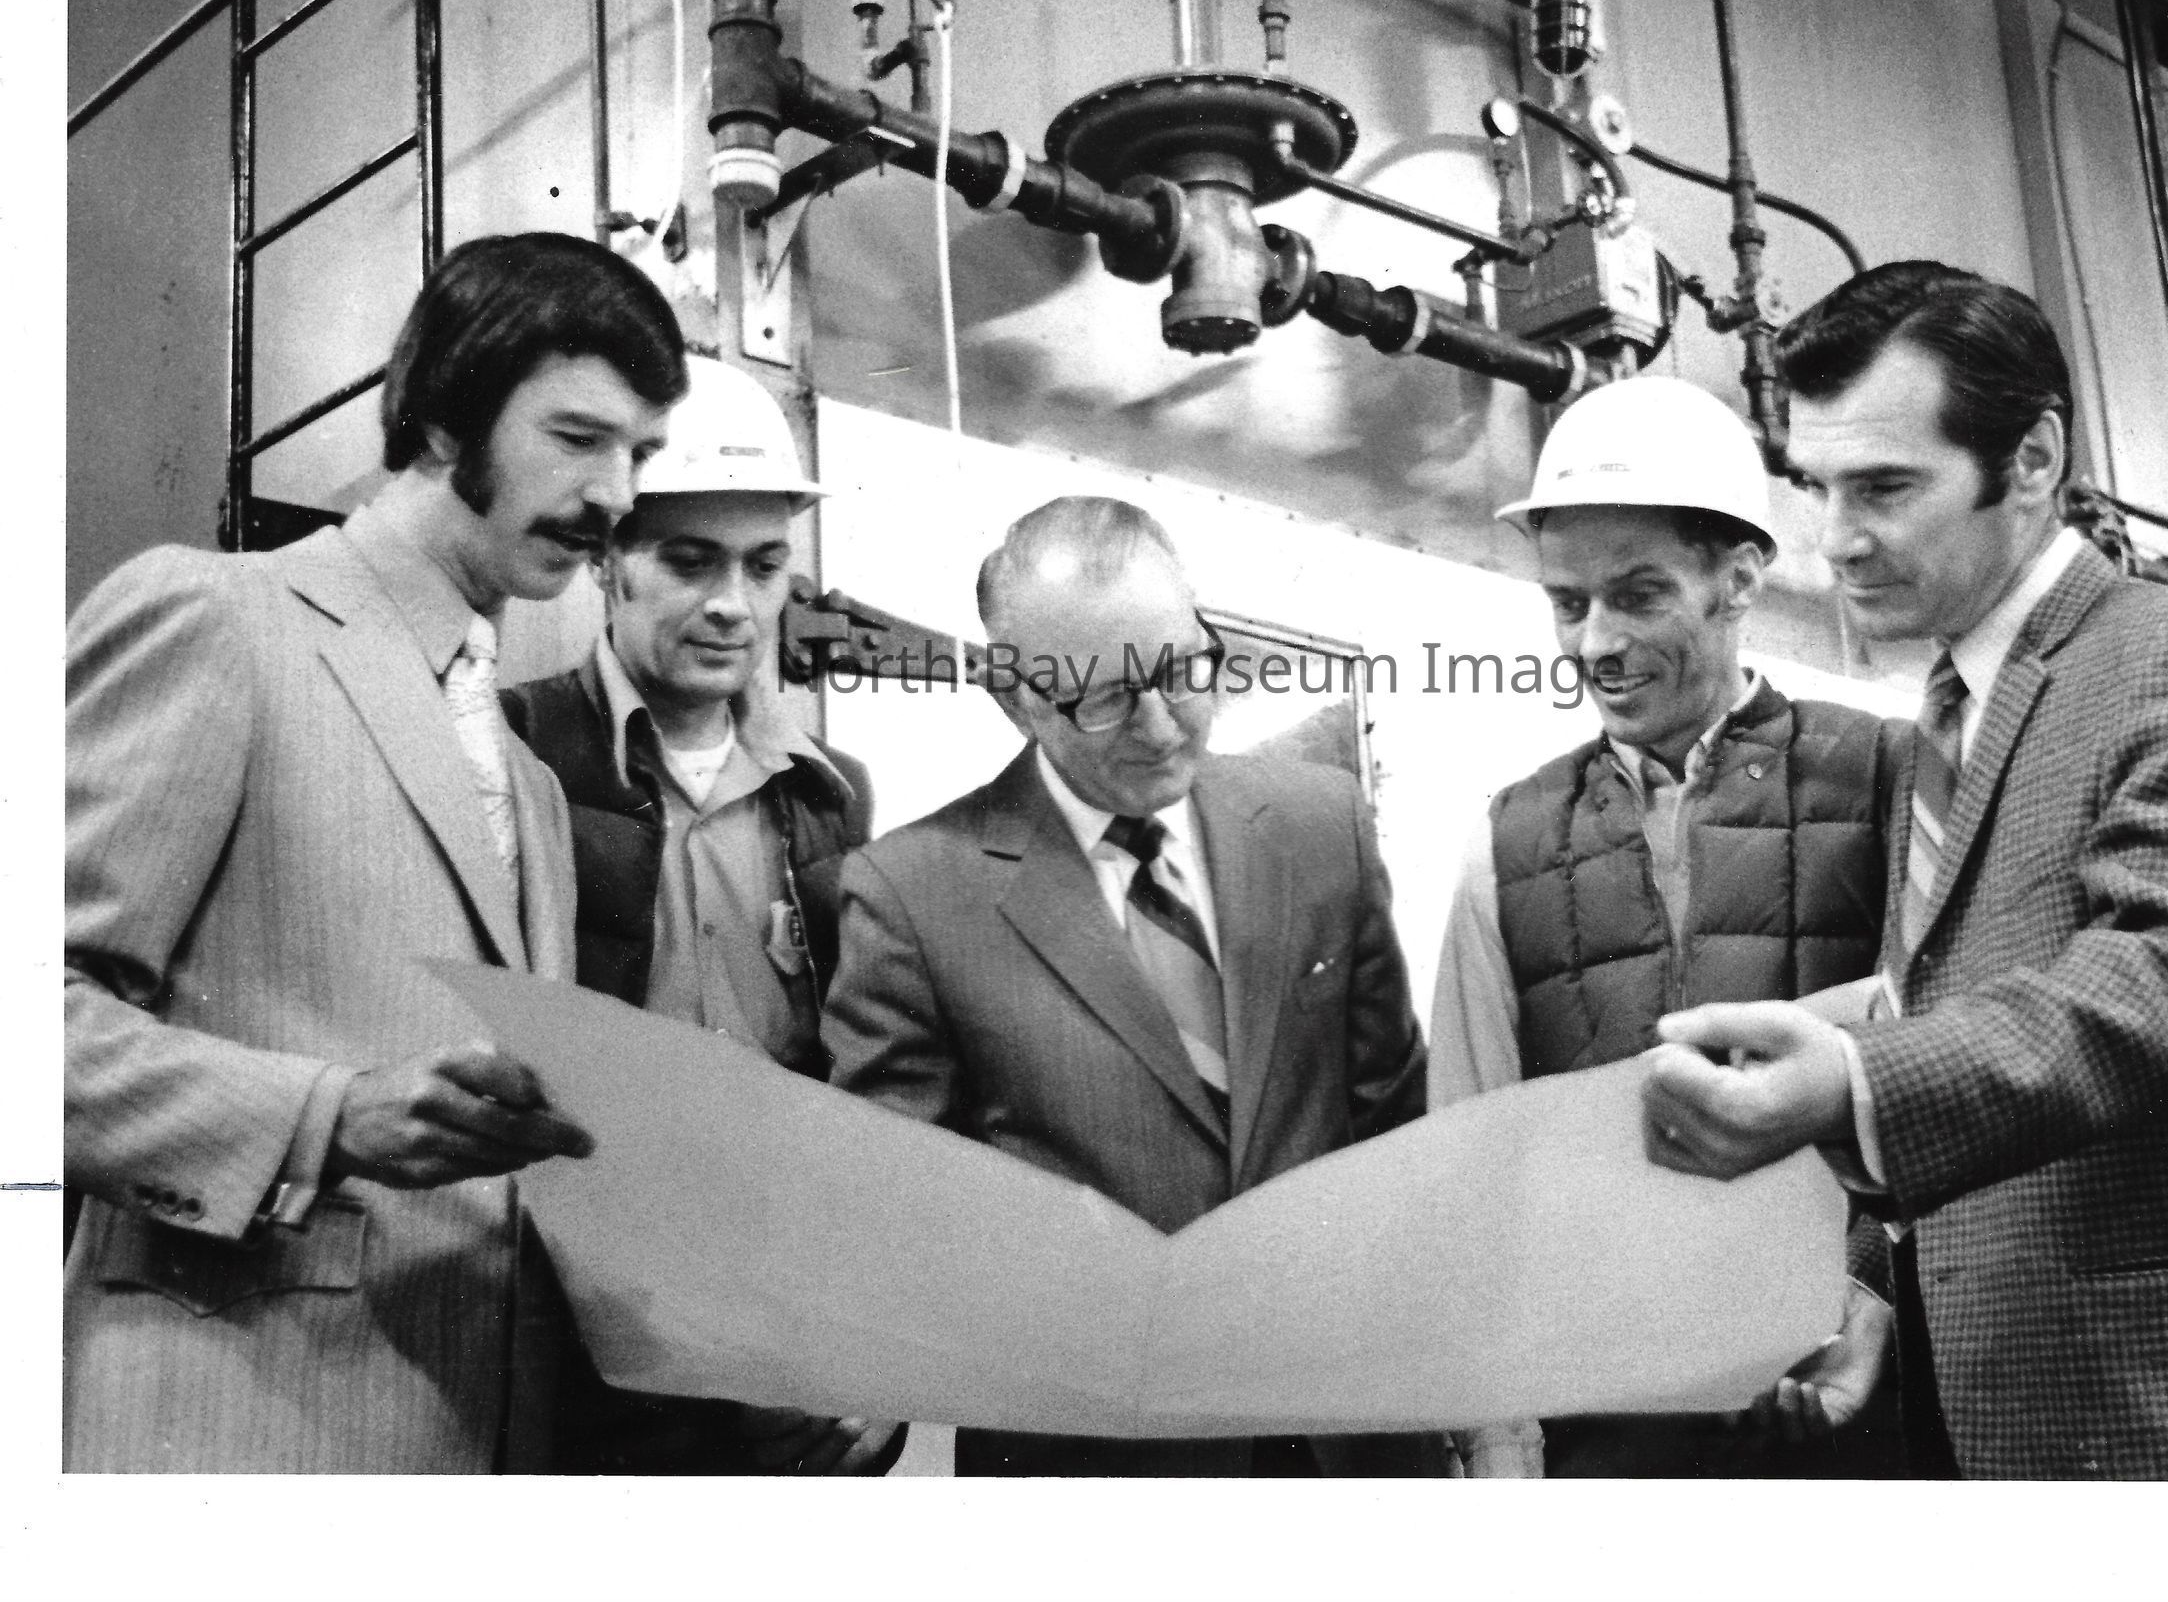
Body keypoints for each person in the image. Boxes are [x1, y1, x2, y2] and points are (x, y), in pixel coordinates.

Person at [1640, 262, 2168, 1480]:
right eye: (1819, 487)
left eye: (1886, 487)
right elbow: (1939, 1004)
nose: (1836, 540)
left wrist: (1853, 1081)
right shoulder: (1946, 723)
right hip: (1998, 1405)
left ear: (2033, 458)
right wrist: (1873, 1283)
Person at [64, 231, 690, 1471]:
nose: (618, 495)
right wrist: (330, 1119)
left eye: (641, 453)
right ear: (445, 417)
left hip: (464, 1457)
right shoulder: (217, 617)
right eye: (578, 437)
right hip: (226, 1451)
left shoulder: (530, 784)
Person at [822, 495, 1441, 1476]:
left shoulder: (1322, 826)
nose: (1160, 725)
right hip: (1102, 1472)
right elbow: (899, 1210)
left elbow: (1397, 1129)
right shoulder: (913, 894)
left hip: (1353, 1440)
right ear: (1016, 698)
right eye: (1106, 697)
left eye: (1181, 668)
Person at [1429, 374, 1907, 1478]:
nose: (1595, 642)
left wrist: (1869, 1278)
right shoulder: (1506, 841)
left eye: (1638, 595)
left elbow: (1955, 1083)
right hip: (1614, 1434)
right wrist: (1499, 1440)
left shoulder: (1889, 780)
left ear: (1739, 578)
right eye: (1567, 603)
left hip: (1856, 1408)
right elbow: (1477, 1163)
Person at [503, 355, 899, 1476]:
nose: (733, 603)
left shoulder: (831, 793)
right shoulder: (513, 752)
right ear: (606, 560)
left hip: (781, 1324)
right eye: (689, 560)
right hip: (580, 1334)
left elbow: (863, 1088)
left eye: (764, 565)